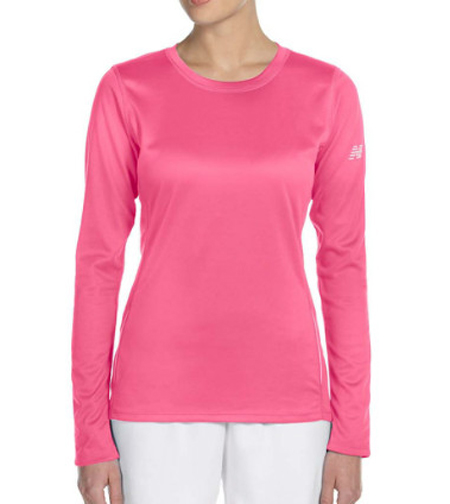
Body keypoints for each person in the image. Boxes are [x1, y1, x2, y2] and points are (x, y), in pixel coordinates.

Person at [71, 0, 371, 503]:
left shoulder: (328, 92)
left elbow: (344, 262)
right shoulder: (127, 89)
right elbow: (98, 261)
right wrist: (90, 433)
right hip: (156, 397)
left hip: (288, 398)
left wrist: (352, 430)